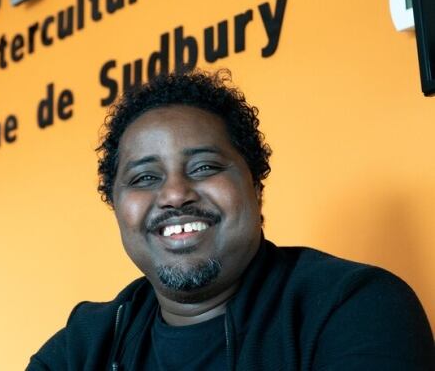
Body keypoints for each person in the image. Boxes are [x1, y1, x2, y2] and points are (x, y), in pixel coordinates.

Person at [26, 69, 434, 370]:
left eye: (204, 167)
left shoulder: (353, 307)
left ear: (255, 188)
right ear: (116, 206)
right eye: (145, 178)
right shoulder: (83, 347)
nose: (173, 194)